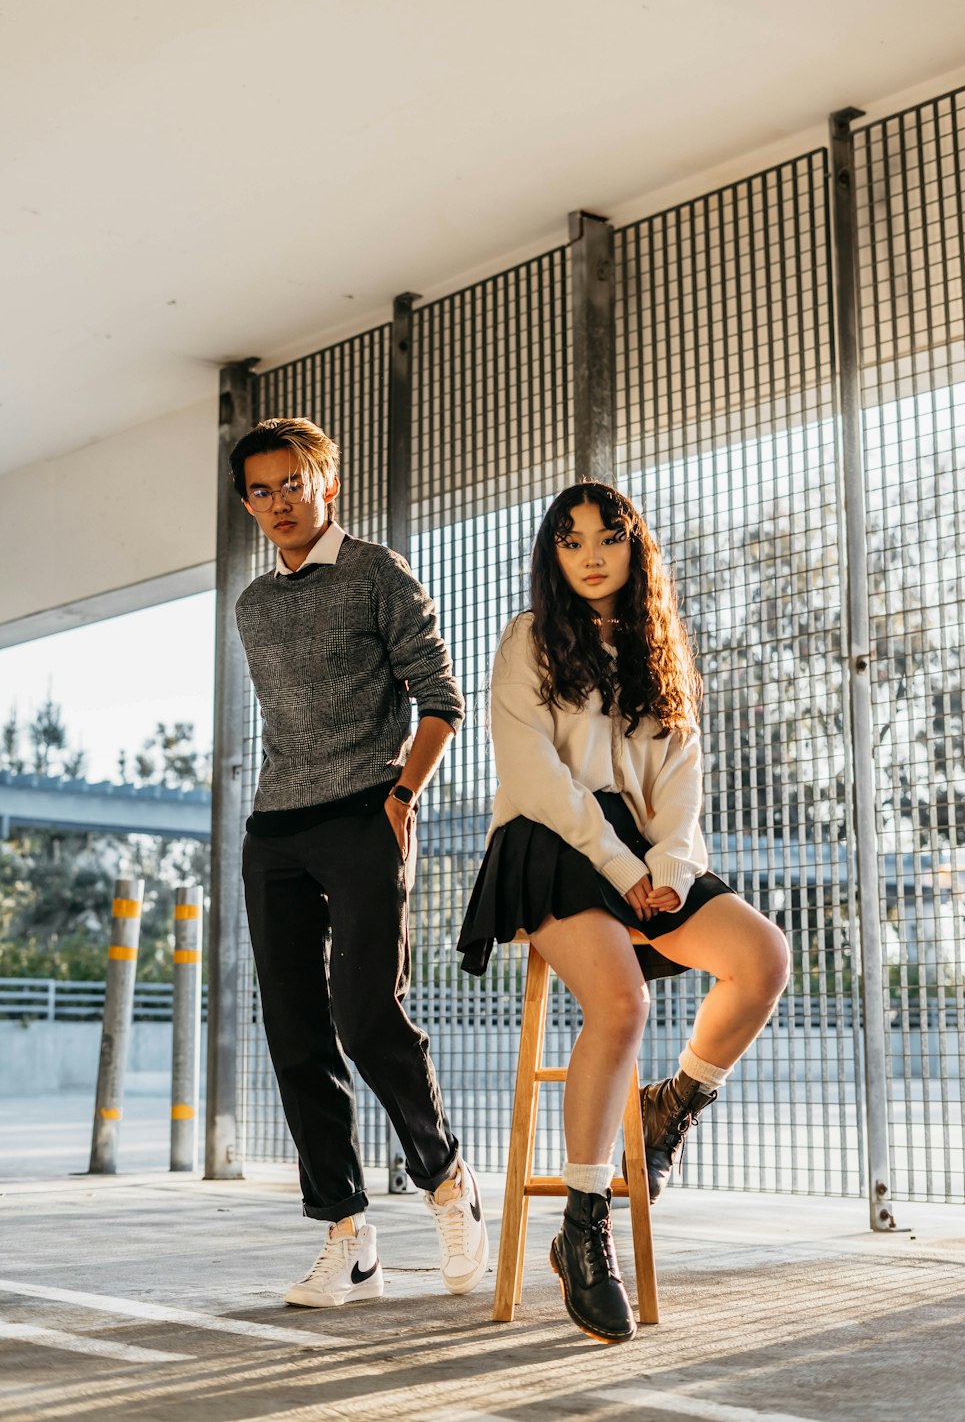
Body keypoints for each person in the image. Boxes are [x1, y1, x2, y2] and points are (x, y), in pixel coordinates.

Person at [459, 481, 789, 1343]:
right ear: (552, 557)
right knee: (623, 1003)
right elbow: (534, 776)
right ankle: (582, 1226)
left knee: (763, 959)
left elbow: (683, 788)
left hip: (647, 854)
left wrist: (669, 870)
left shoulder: (663, 650)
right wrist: (617, 862)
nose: (592, 554)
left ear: (634, 548)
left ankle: (671, 1104)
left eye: (607, 538)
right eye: (571, 542)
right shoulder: (529, 640)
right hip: (552, 842)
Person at [231, 415, 488, 1308]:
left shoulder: (377, 572)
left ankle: (447, 1180)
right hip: (275, 831)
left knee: (367, 1014)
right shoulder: (253, 606)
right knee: (295, 1032)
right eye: (259, 491)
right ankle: (347, 1234)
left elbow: (442, 699)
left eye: (291, 482)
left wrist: (403, 796)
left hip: (363, 815)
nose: (277, 503)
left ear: (325, 482)